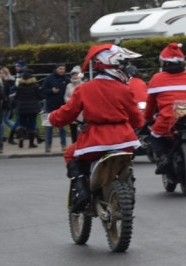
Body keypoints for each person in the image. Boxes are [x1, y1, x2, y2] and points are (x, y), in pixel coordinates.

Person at [48, 44, 145, 213]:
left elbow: (67, 113)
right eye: (120, 65)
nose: (123, 68)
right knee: (126, 163)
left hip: (94, 141)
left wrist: (51, 118)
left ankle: (82, 192)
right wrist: (139, 123)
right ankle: (128, 188)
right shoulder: (125, 89)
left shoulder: (84, 88)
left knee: (70, 154)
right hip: (124, 141)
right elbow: (137, 119)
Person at [144, 43, 186, 173]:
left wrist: (148, 118)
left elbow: (150, 105)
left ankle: (163, 158)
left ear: (163, 62)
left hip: (168, 120)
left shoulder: (156, 79)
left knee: (154, 136)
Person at [42, 63, 70, 153]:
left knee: (62, 127)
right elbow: (43, 90)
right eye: (60, 69)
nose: (62, 71)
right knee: (48, 127)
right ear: (56, 69)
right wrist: (51, 91)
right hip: (49, 106)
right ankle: (48, 146)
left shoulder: (66, 79)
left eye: (63, 69)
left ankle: (64, 145)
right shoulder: (49, 78)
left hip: (61, 107)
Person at [12, 68, 43, 148]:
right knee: (31, 125)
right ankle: (31, 143)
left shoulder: (20, 86)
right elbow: (40, 96)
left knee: (22, 124)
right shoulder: (35, 85)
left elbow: (16, 97)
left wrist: (18, 103)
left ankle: (21, 138)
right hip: (33, 108)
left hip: (22, 108)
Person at [64, 65, 85, 143]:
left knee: (82, 131)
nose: (75, 76)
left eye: (76, 75)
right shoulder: (68, 86)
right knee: (73, 131)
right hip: (72, 110)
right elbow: (66, 96)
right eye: (73, 75)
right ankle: (74, 144)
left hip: (82, 112)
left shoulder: (84, 85)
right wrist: (70, 102)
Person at [0, 67, 17, 144]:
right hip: (10, 102)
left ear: (6, 74)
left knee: (2, 120)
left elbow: (3, 93)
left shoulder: (4, 83)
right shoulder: (12, 81)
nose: (1, 75)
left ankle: (2, 136)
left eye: (2, 73)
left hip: (5, 103)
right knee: (6, 119)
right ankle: (18, 129)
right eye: (0, 73)